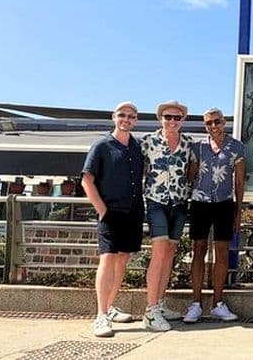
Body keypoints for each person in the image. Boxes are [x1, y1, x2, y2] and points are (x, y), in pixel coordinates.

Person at [81, 101, 144, 338]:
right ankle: (100, 315)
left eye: (131, 116)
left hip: (134, 211)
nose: (126, 119)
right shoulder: (101, 146)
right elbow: (87, 180)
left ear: (136, 120)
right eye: (122, 115)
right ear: (114, 117)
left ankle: (110, 307)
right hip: (111, 213)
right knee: (107, 259)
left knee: (123, 259)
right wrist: (102, 210)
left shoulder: (137, 147)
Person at [183, 108, 246, 323]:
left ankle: (218, 303)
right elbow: (190, 176)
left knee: (222, 251)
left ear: (224, 122)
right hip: (200, 202)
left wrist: (238, 212)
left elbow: (239, 181)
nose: (213, 126)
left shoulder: (237, 147)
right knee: (198, 249)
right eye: (208, 123)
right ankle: (196, 303)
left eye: (217, 122)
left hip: (224, 203)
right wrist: (194, 168)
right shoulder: (198, 147)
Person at [140, 100, 196, 332]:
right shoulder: (148, 142)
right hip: (156, 201)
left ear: (183, 120)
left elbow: (192, 171)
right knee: (159, 251)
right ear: (160, 119)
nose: (172, 121)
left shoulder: (188, 143)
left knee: (170, 252)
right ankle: (150, 310)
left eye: (177, 117)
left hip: (179, 202)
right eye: (168, 117)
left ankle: (161, 303)